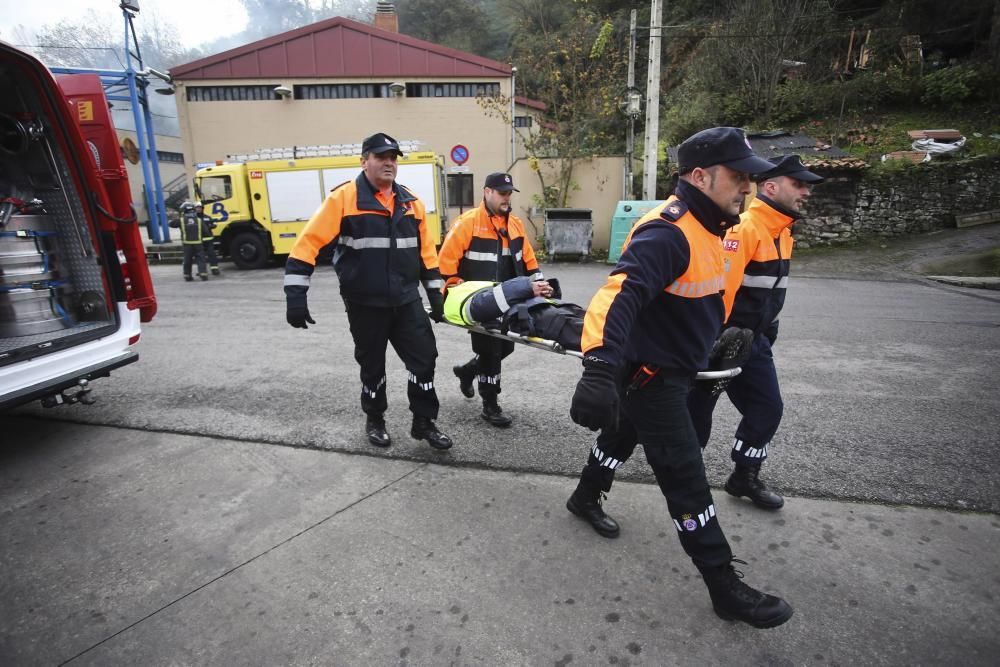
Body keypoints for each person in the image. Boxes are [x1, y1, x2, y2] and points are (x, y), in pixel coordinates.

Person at [566, 127, 793, 628]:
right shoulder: (668, 230)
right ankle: (723, 586)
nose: (747, 188)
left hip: (674, 368)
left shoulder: (712, 227)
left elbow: (699, 296)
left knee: (620, 438)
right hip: (653, 378)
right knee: (687, 480)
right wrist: (600, 367)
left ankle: (584, 497)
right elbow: (618, 294)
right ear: (700, 176)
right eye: (737, 177)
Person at [283, 132, 452, 451]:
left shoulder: (411, 203)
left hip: (406, 300)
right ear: (364, 161)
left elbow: (427, 254)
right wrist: (295, 296)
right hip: (365, 303)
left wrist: (435, 296)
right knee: (372, 365)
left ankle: (424, 422)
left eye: (393, 158)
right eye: (381, 157)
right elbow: (308, 244)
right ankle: (375, 418)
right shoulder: (343, 199)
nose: (389, 163)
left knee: (424, 360)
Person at [687, 154, 824, 510]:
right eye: (799, 184)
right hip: (722, 343)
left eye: (807, 185)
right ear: (772, 186)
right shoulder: (744, 229)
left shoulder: (782, 232)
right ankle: (685, 480)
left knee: (767, 409)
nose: (806, 191)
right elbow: (721, 293)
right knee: (697, 417)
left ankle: (743, 476)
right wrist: (714, 342)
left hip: (755, 342)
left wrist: (767, 330)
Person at [438, 172, 548, 427]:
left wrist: (540, 284)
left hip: (509, 300)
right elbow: (444, 263)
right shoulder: (468, 223)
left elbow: (529, 262)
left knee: (506, 347)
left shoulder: (516, 225)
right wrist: (455, 290)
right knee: (490, 352)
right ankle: (490, 405)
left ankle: (467, 371)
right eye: (501, 193)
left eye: (509, 193)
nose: (506, 198)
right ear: (487, 192)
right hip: (480, 301)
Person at [170, 201, 207, 282]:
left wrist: (179, 217)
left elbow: (171, 224)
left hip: (187, 244)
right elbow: (205, 231)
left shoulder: (181, 220)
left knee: (187, 260)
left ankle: (187, 275)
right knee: (201, 259)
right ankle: (203, 274)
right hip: (198, 244)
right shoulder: (199, 220)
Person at [196, 202, 221, 276]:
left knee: (212, 254)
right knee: (200, 257)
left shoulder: (207, 217)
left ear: (202, 208)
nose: (198, 209)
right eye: (197, 208)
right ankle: (202, 271)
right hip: (199, 241)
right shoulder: (194, 219)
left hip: (209, 240)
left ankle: (214, 269)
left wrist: (211, 226)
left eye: (200, 208)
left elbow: (214, 224)